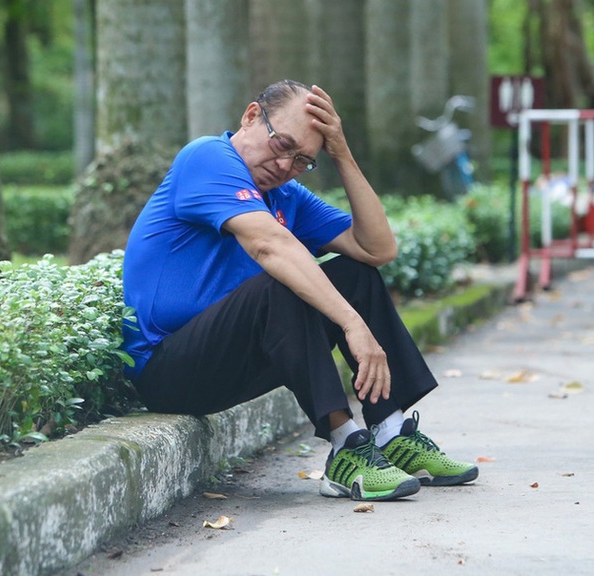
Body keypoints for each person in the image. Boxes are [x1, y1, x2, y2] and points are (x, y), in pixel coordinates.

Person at [122, 79, 478, 502]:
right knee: (281, 282)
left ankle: (391, 432)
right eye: (281, 144)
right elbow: (268, 244)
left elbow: (377, 249)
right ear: (252, 116)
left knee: (356, 272)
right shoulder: (206, 157)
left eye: (302, 159)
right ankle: (346, 446)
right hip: (169, 371)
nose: (284, 165)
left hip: (235, 360)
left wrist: (342, 155)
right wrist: (352, 324)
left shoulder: (285, 194)